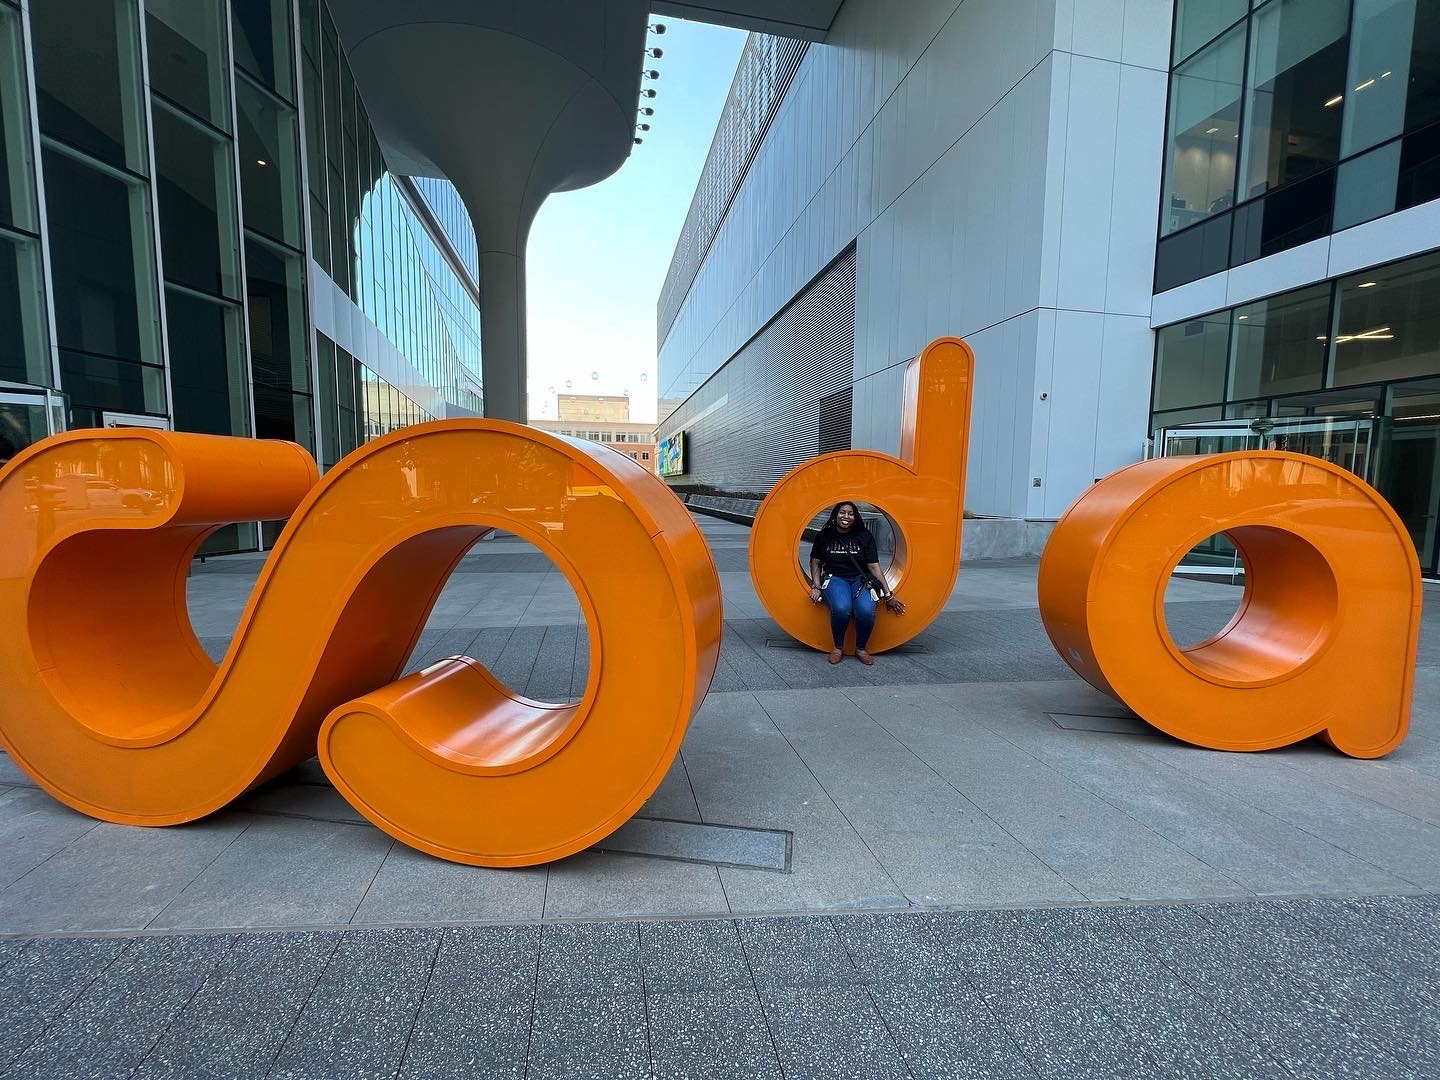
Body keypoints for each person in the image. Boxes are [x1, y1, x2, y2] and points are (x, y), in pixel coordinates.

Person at [807, 500, 905, 665]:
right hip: (834, 578)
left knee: (866, 611)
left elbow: (874, 567)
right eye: (842, 512)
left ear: (855, 516)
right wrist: (816, 586)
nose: (846, 516)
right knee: (841, 608)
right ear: (836, 515)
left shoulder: (864, 536)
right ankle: (838, 647)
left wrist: (888, 595)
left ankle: (860, 648)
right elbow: (815, 562)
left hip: (861, 580)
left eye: (850, 513)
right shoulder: (825, 536)